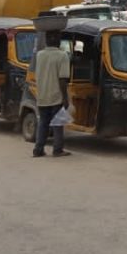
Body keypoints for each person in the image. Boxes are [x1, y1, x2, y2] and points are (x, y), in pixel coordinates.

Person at [33, 30, 71, 158]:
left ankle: (38, 149)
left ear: (47, 41)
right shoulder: (63, 56)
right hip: (56, 95)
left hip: (42, 94)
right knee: (58, 123)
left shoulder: (39, 55)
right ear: (58, 41)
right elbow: (63, 79)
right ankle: (57, 149)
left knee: (43, 123)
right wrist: (65, 98)